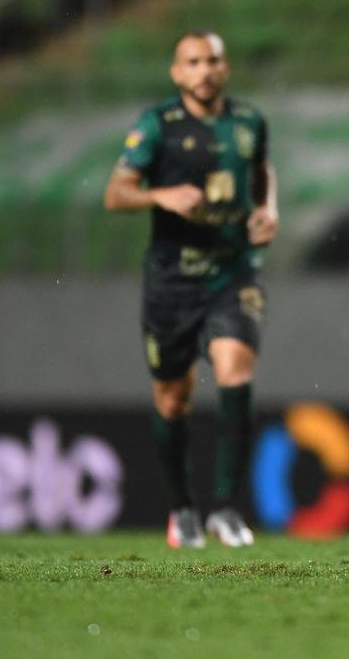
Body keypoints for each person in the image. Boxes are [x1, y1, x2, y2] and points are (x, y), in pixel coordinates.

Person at [104, 31, 278, 548]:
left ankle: (225, 508)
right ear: (177, 73)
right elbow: (116, 193)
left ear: (225, 68)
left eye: (214, 61)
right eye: (194, 62)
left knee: (234, 367)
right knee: (173, 398)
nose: (205, 70)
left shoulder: (249, 122)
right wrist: (161, 195)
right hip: (172, 279)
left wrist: (268, 211)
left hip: (233, 270)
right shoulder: (157, 126)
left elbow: (262, 171)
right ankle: (182, 508)